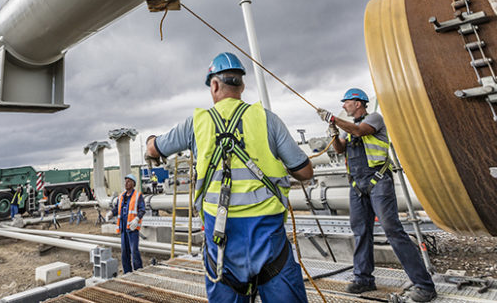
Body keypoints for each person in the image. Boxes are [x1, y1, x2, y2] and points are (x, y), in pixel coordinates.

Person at [146, 52, 313, 302]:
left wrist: (150, 142)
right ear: (242, 85)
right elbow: (305, 172)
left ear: (214, 85)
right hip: (268, 240)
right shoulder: (267, 119)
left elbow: (154, 149)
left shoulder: (196, 124)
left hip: (221, 240)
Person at [317, 88, 437, 303]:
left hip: (377, 181)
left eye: (346, 102)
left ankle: (424, 285)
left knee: (393, 230)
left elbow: (360, 131)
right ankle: (363, 278)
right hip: (357, 185)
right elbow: (340, 148)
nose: (344, 106)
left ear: (358, 103)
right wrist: (333, 130)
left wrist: (335, 118)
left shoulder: (374, 118)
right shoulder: (347, 128)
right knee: (361, 231)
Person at [111, 174, 145, 273]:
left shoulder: (138, 196)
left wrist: (137, 219)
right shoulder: (121, 196)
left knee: (134, 252)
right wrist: (111, 213)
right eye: (125, 181)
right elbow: (117, 208)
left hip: (132, 228)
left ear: (133, 184)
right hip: (123, 229)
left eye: (129, 181)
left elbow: (142, 210)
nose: (126, 183)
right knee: (124, 253)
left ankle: (139, 272)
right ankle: (127, 272)